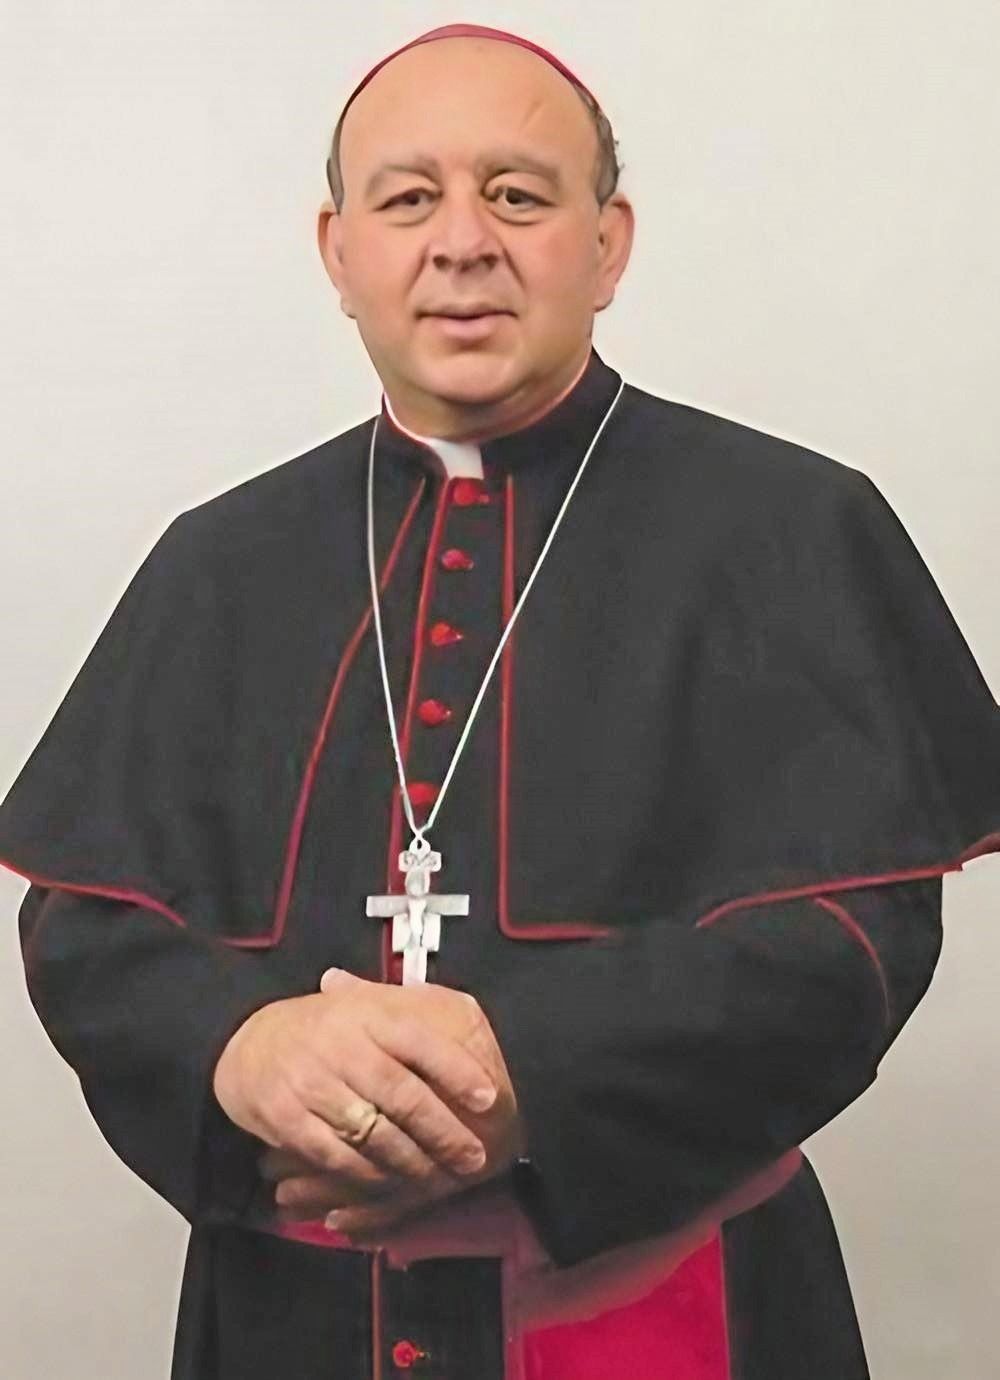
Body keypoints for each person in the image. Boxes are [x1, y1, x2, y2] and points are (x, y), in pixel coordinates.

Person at [3, 21, 999, 1380]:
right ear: (337, 251)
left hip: (675, 1303)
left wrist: (517, 1063)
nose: (463, 240)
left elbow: (851, 939)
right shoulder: (220, 559)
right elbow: (88, 923)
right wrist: (242, 1048)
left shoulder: (787, 526)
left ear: (609, 244)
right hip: (289, 1329)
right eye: (408, 198)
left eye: (519, 195)